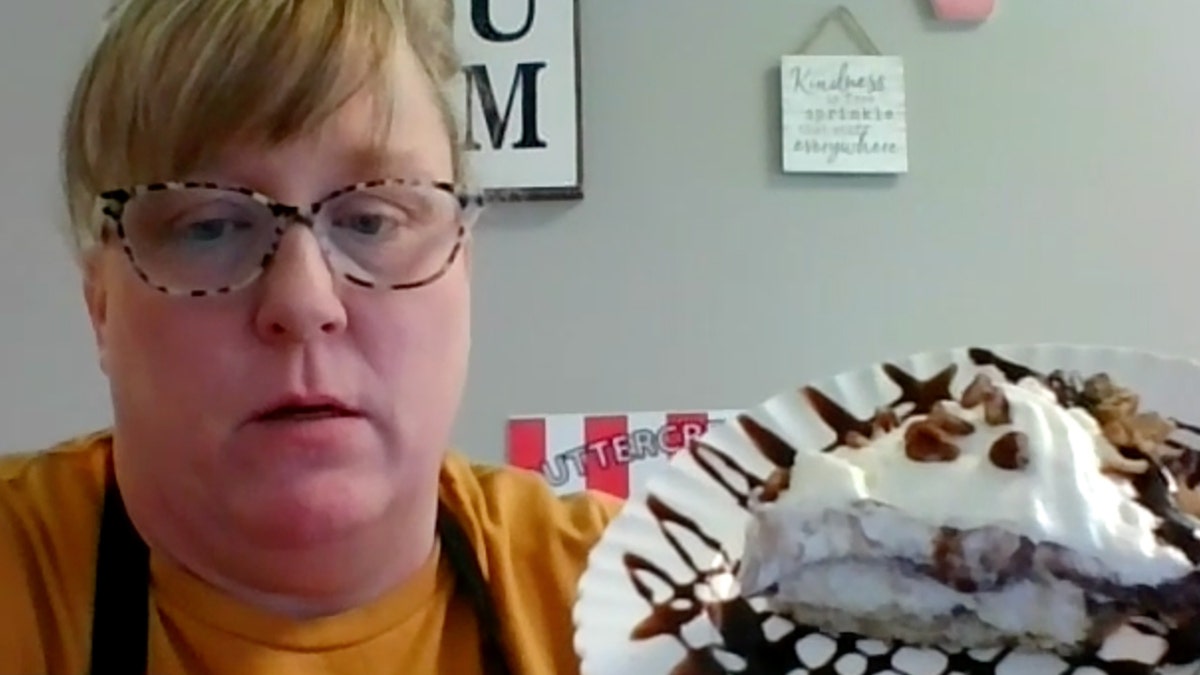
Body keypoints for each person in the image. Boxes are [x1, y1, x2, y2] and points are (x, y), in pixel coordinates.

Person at [0, 0, 622, 673]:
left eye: (372, 220)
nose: (303, 301)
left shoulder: (651, 606)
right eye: (209, 225)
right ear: (101, 304)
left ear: (462, 268)